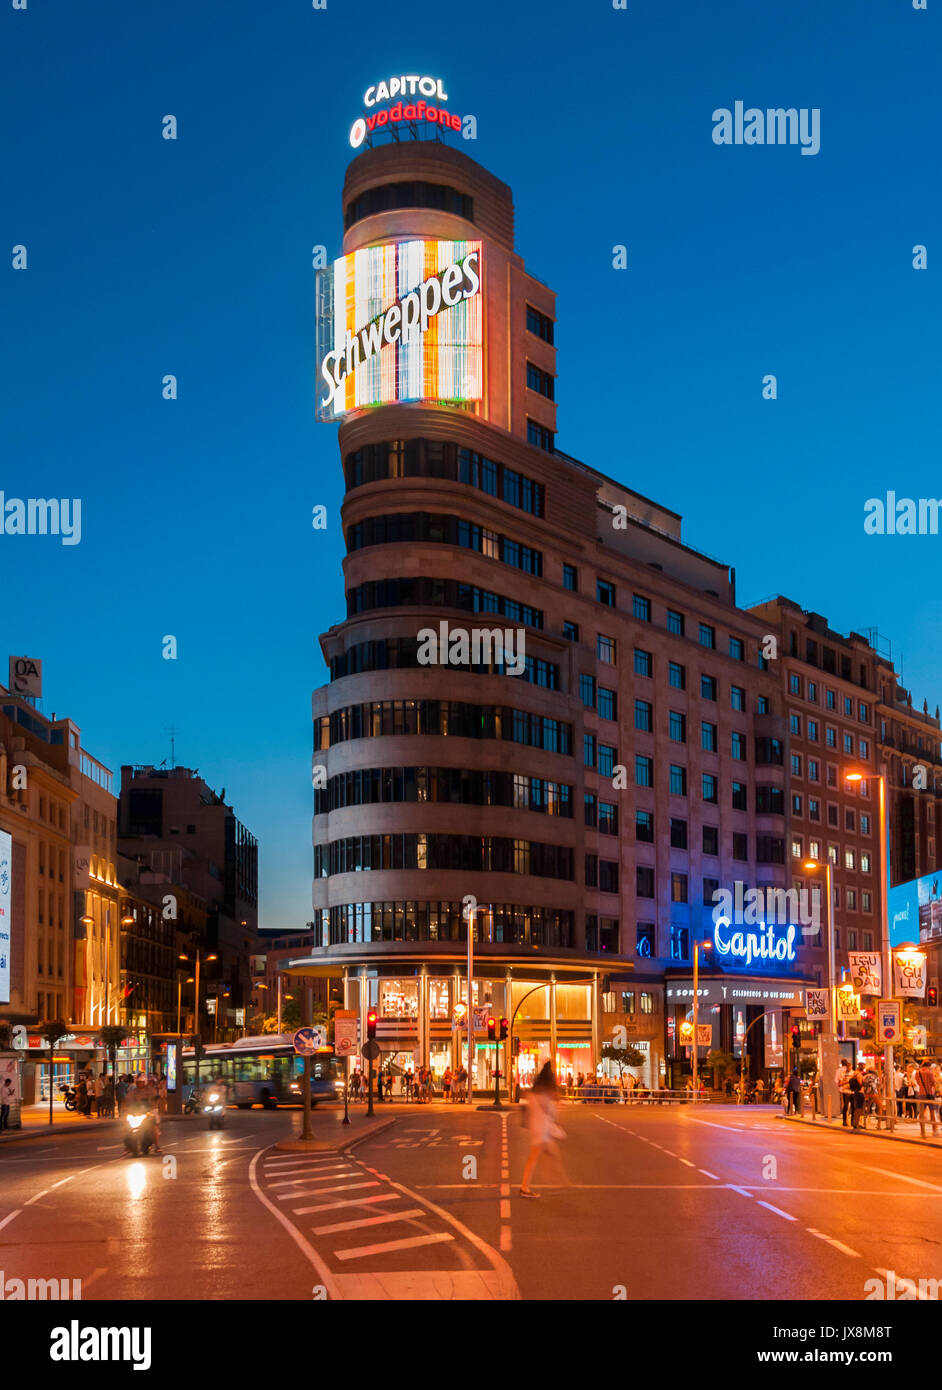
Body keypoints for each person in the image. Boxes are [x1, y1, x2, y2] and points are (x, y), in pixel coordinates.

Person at [520, 1062, 565, 1198]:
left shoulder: (535, 1093)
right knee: (534, 1158)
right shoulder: (545, 1094)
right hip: (541, 1128)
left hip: (539, 1127)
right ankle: (525, 1187)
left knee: (551, 1154)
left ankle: (556, 1182)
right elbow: (555, 1100)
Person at [915, 1057, 939, 1136]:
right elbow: (933, 1083)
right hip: (930, 1094)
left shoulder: (917, 1073)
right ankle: (934, 1130)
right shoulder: (929, 1073)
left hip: (921, 1094)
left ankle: (922, 1131)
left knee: (922, 1113)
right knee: (932, 1112)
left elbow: (918, 1082)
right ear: (929, 1066)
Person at [837, 1060, 852, 1126]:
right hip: (845, 1091)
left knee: (853, 1107)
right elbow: (839, 1083)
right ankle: (845, 1121)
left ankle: (852, 1121)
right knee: (845, 1106)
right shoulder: (842, 1073)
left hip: (852, 1091)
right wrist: (847, 1082)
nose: (849, 1068)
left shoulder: (853, 1073)